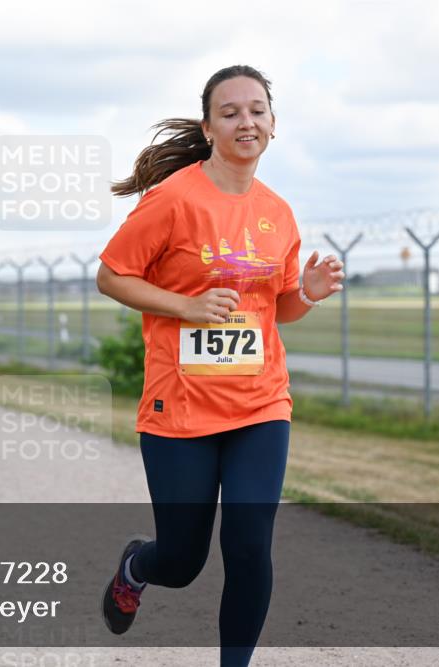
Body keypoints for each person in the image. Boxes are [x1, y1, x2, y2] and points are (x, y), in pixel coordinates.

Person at [96, 65, 345, 667]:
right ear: (209, 127)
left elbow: (278, 310)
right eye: (230, 112)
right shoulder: (174, 199)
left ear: (273, 125)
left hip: (261, 404)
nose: (246, 121)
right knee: (182, 562)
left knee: (250, 542)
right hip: (179, 407)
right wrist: (188, 305)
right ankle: (137, 565)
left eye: (257, 110)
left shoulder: (277, 213)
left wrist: (306, 292)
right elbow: (111, 275)